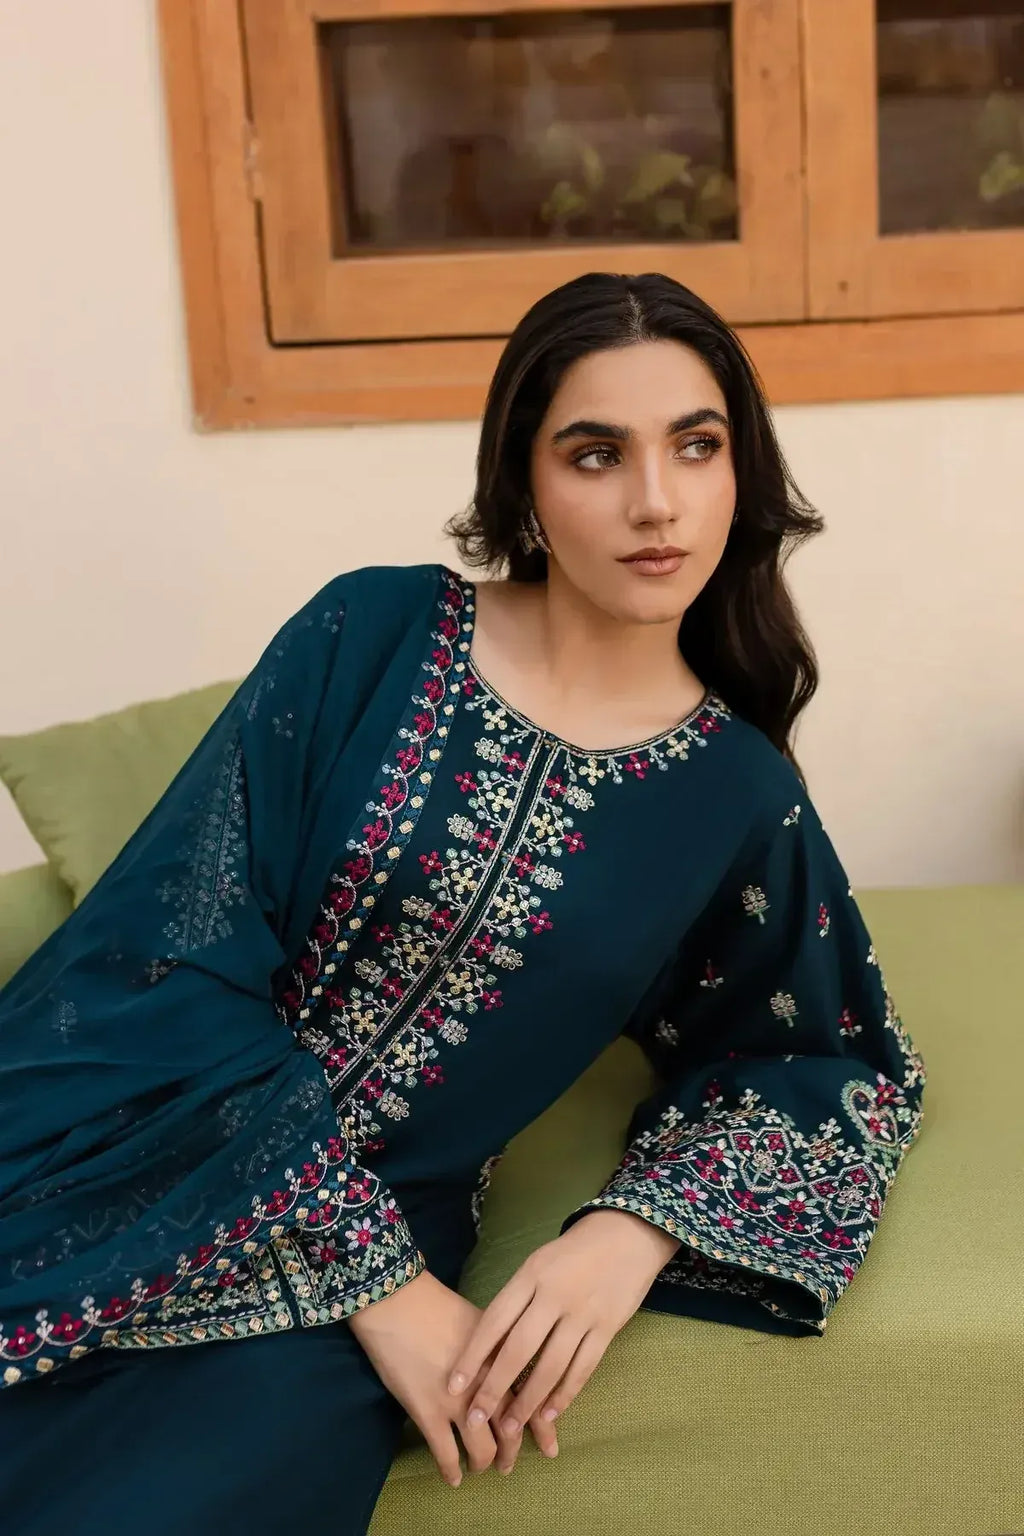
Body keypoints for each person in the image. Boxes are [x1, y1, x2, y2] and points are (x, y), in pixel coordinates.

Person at [0, 272, 926, 1534]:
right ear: (525, 486)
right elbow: (176, 941)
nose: (654, 501)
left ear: (738, 475)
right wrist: (381, 1283)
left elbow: (826, 1059)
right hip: (137, 1146)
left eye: (695, 446)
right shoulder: (370, 631)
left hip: (316, 1330)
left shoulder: (735, 795)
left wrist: (629, 1231)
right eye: (594, 454)